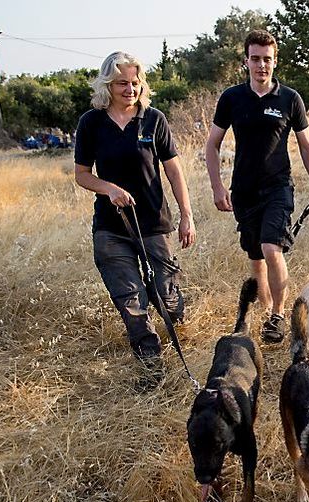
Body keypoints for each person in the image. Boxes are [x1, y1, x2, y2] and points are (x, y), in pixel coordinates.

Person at [74, 51, 197, 391]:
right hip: (111, 229)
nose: (130, 89)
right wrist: (108, 188)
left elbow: (174, 170)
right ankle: (151, 364)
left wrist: (186, 215)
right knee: (130, 300)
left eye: (135, 82)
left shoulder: (154, 119)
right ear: (107, 85)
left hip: (154, 222)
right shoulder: (91, 123)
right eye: (122, 83)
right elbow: (82, 175)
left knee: (166, 294)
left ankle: (176, 318)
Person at [204, 29, 309, 344]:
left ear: (275, 61)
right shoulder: (232, 98)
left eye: (267, 59)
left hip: (278, 187)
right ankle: (268, 307)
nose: (261, 65)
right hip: (244, 191)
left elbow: (306, 145)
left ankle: (278, 315)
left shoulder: (289, 99)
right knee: (256, 255)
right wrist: (218, 188)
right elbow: (213, 145)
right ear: (246, 60)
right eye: (255, 59)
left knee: (272, 247)